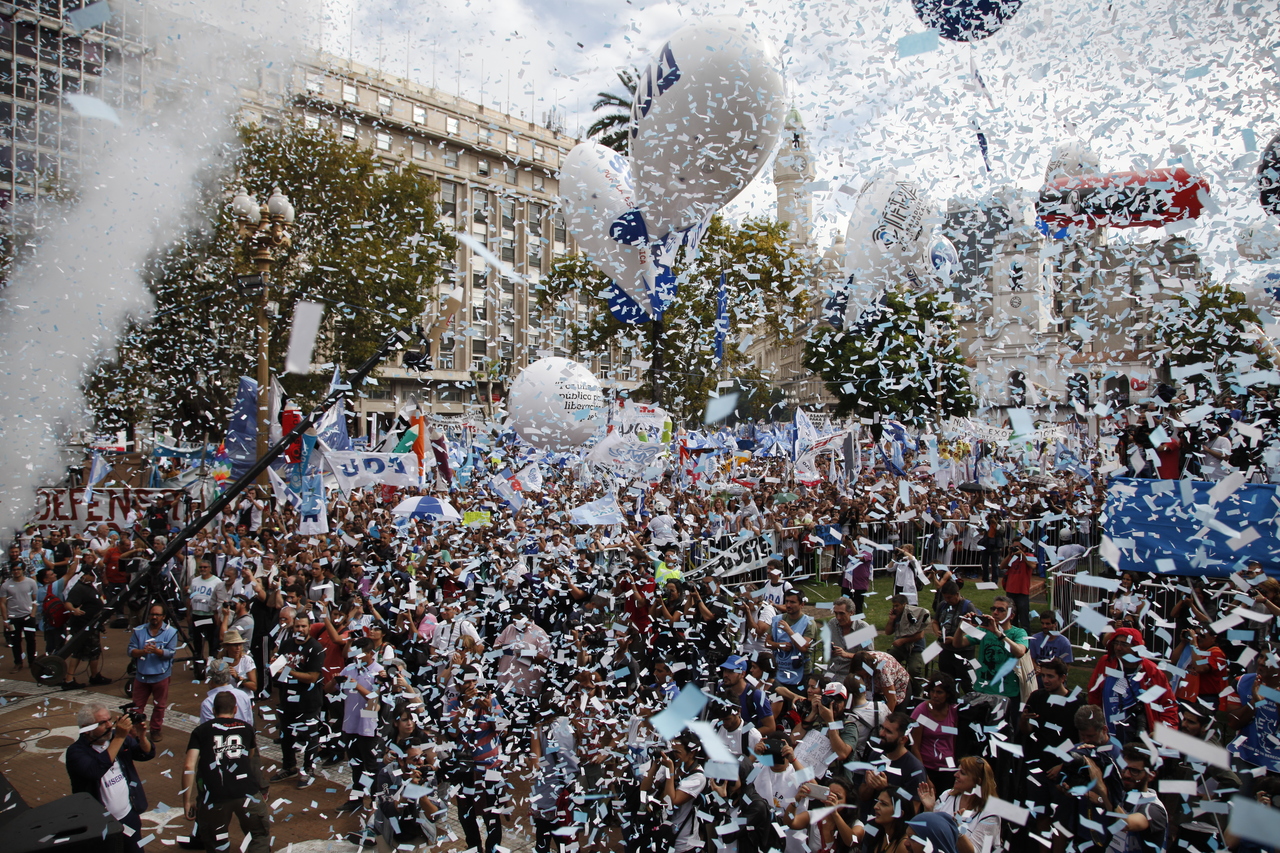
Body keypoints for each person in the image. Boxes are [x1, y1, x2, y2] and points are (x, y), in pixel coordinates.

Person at [183, 690, 271, 853]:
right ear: (235, 709)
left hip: (214, 795)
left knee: (216, 841)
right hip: (247, 792)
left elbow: (189, 766)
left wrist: (187, 801)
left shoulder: (201, 731)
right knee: (259, 835)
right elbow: (250, 756)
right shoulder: (246, 728)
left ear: (213, 711)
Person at [65, 703, 155, 853]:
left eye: (110, 720)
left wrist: (141, 737)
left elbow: (145, 754)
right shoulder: (76, 752)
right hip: (100, 824)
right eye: (102, 723)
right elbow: (95, 771)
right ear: (86, 729)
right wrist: (119, 737)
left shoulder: (116, 738)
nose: (109, 725)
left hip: (128, 816)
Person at [446, 664, 505, 853]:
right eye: (467, 682)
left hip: (490, 768)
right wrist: (465, 707)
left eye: (474, 681)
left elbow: (504, 729)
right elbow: (453, 732)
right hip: (466, 769)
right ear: (458, 686)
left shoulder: (490, 699)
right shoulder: (453, 703)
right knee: (466, 813)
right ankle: (474, 847)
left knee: (491, 813)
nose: (472, 685)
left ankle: (492, 848)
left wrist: (490, 710)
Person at [1086, 627, 1178, 745]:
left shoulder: (1151, 671)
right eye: (1116, 643)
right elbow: (1094, 693)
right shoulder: (1106, 663)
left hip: (1139, 736)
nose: (1118, 648)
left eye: (1124, 644)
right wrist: (1095, 723)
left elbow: (1168, 704)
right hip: (1107, 734)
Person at [272, 611, 325, 788]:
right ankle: (289, 767)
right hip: (287, 699)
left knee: (310, 737)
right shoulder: (286, 644)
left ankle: (308, 769)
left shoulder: (316, 648)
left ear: (309, 627)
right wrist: (274, 667)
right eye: (297, 626)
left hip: (309, 701)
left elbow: (312, 677)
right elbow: (278, 670)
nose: (300, 629)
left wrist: (288, 671)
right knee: (286, 735)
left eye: (303, 626)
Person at [918, 756, 1001, 853]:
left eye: (963, 773)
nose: (955, 775)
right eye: (958, 771)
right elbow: (930, 832)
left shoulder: (991, 814)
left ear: (978, 782)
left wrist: (958, 830)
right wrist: (929, 810)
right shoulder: (947, 795)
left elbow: (976, 851)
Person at [641, 731, 707, 853]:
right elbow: (644, 789)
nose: (674, 755)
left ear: (692, 753)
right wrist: (655, 765)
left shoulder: (698, 777)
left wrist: (670, 771)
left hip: (682, 842)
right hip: (662, 834)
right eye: (672, 750)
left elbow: (670, 802)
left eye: (677, 752)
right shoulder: (672, 765)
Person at [858, 711, 926, 818]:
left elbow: (912, 811)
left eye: (888, 731)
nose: (881, 734)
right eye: (882, 728)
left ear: (903, 739)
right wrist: (870, 786)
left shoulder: (915, 769)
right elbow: (862, 796)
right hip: (867, 822)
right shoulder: (875, 755)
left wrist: (887, 789)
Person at [128, 603, 180, 742]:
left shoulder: (171, 632)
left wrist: (157, 651)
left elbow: (171, 653)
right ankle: (135, 730)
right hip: (141, 675)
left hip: (161, 675)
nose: (154, 617)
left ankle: (155, 730)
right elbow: (130, 650)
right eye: (152, 614)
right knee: (137, 705)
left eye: (157, 615)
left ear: (163, 617)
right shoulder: (138, 631)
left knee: (159, 706)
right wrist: (142, 651)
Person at [910, 675, 959, 792]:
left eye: (939, 692)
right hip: (927, 767)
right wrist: (924, 776)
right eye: (933, 691)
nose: (935, 695)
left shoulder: (954, 711)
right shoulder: (922, 711)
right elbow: (915, 746)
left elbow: (955, 740)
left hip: (948, 767)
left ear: (948, 694)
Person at [932, 582, 977, 693]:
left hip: (963, 652)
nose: (947, 600)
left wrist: (955, 639)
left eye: (949, 597)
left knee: (966, 680)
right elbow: (935, 621)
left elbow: (975, 629)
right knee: (946, 680)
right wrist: (937, 631)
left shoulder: (967, 606)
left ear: (957, 594)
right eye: (945, 597)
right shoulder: (943, 605)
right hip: (945, 649)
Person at [189, 557, 228, 679]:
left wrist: (218, 615)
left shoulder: (217, 581)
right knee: (197, 641)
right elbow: (190, 597)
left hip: (209, 615)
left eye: (205, 567)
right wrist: (189, 613)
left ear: (210, 568)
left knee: (212, 641)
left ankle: (211, 665)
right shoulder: (194, 581)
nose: (203, 569)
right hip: (197, 614)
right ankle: (198, 664)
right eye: (201, 567)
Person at [721, 653, 777, 735]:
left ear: (742, 674)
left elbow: (770, 727)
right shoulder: (721, 689)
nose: (726, 675)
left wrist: (744, 736)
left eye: (731, 671)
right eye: (725, 670)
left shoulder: (756, 695)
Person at [885, 594, 930, 694]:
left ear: (904, 604)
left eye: (897, 606)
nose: (895, 608)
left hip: (916, 648)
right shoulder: (897, 616)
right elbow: (888, 632)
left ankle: (919, 692)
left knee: (914, 669)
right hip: (901, 648)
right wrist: (891, 620)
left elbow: (920, 635)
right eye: (893, 606)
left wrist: (902, 641)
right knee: (887, 661)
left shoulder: (914, 614)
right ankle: (894, 686)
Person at [0, 560, 39, 671]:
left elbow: (35, 599)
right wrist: (5, 620)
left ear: (23, 570)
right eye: (14, 570)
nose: (16, 571)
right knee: (15, 641)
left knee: (31, 640)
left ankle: (32, 662)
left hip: (28, 617)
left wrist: (33, 614)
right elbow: (2, 603)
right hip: (13, 618)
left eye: (18, 569)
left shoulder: (31, 582)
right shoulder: (5, 585)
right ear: (11, 571)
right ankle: (18, 663)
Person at [822, 595, 870, 681]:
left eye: (841, 613)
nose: (838, 617)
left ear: (851, 613)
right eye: (836, 613)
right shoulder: (832, 623)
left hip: (851, 674)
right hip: (832, 671)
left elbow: (869, 657)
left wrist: (846, 654)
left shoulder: (863, 628)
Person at [999, 542, 1035, 631]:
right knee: (1012, 618)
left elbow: (1033, 565)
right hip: (1010, 591)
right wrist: (1009, 554)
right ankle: (1013, 636)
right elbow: (1002, 566)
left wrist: (1022, 555)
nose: (1015, 548)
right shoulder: (1012, 557)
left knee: (1024, 618)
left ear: (1024, 548)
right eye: (1013, 546)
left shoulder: (1029, 555)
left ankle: (1026, 637)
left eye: (1017, 547)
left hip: (1022, 592)